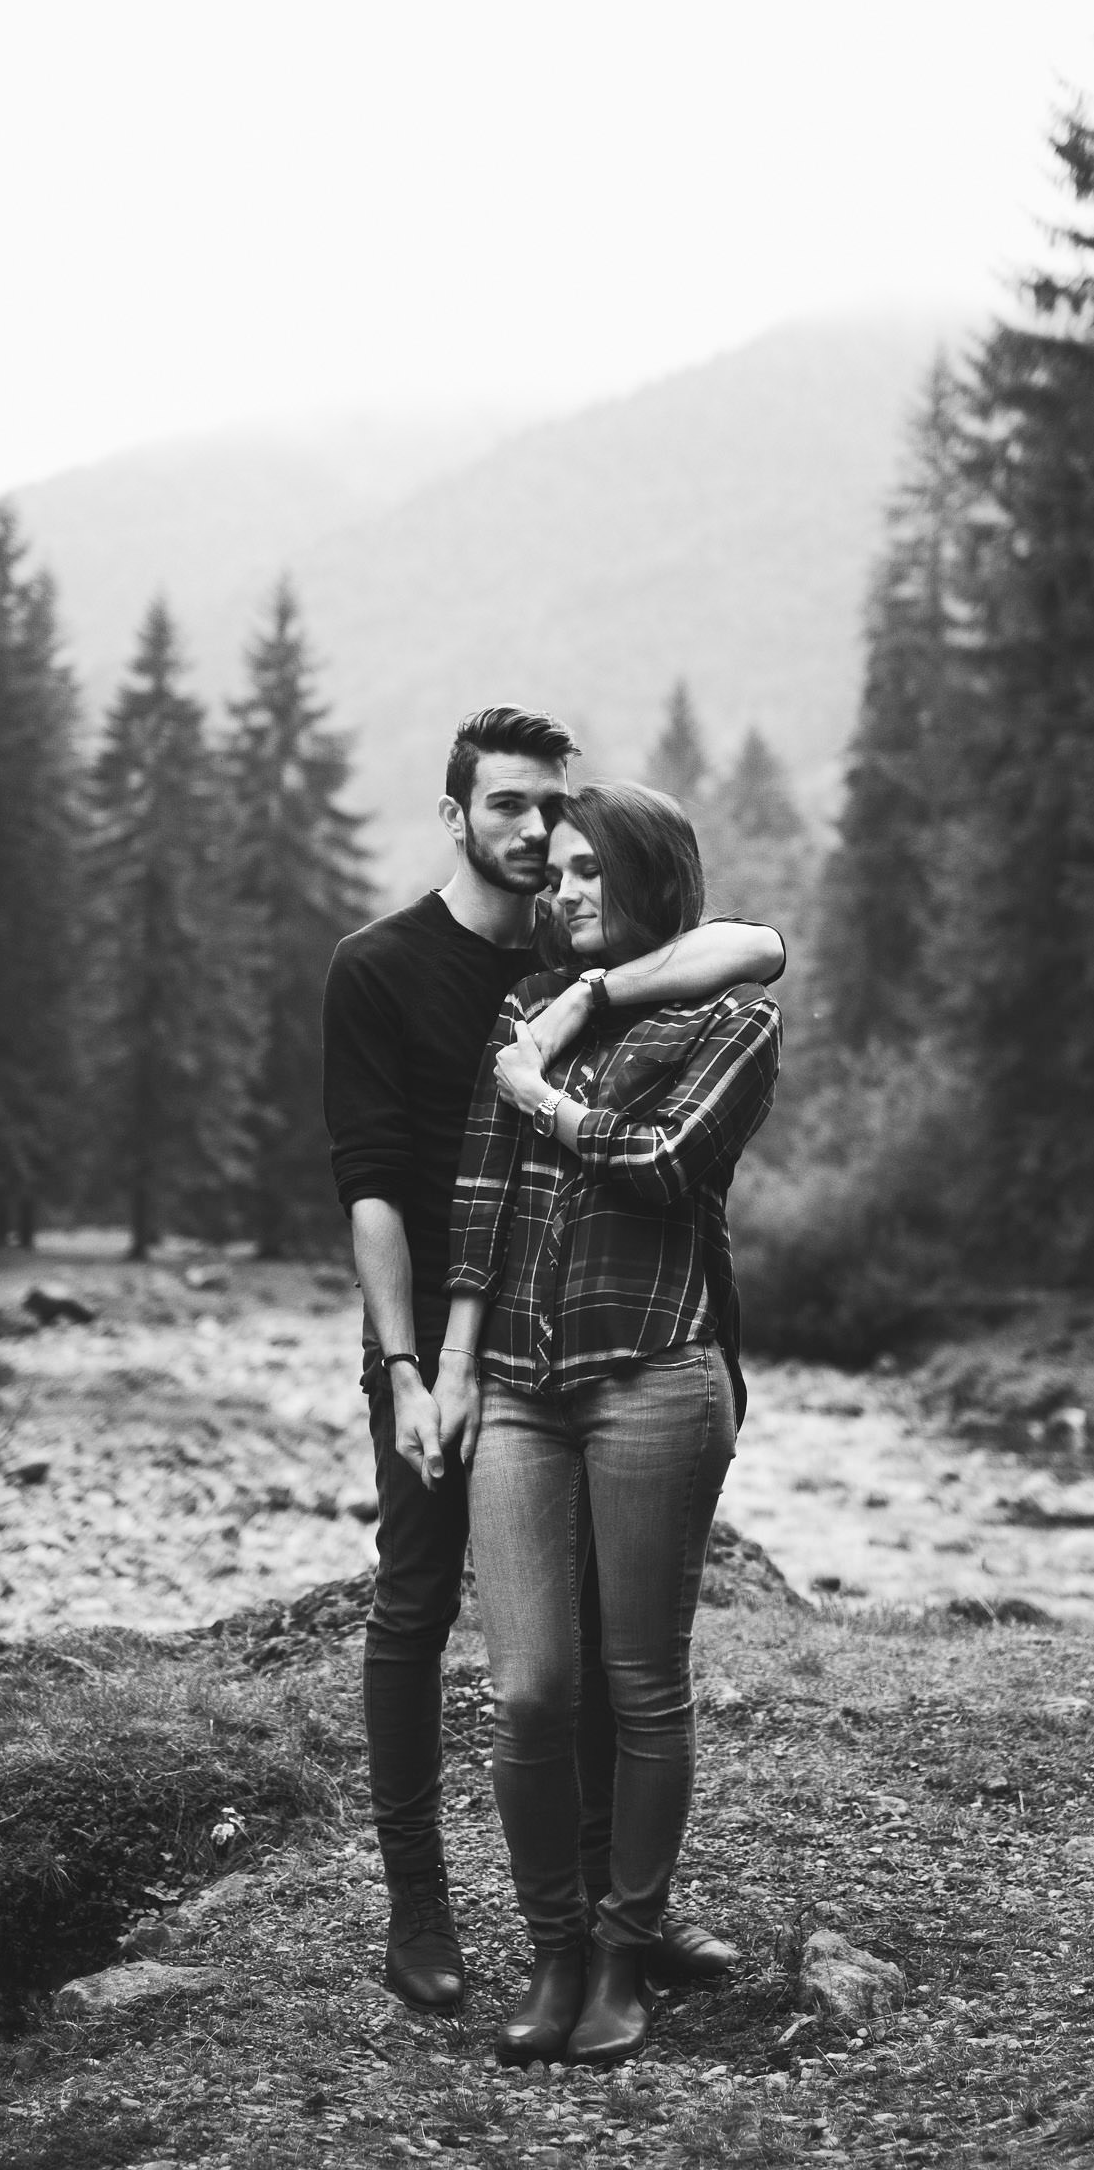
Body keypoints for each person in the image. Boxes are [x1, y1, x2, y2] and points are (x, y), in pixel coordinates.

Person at [321, 707, 784, 2014]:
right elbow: (395, 1192)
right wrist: (419, 1365)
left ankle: (613, 1923)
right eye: (512, 809)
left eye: (556, 816)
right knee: (422, 1606)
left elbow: (761, 947)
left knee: (607, 1650)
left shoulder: (585, 966)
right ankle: (426, 1909)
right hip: (452, 1330)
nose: (537, 837)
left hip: (613, 1337)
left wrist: (586, 999)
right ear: (457, 812)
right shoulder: (389, 967)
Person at [439, 779, 782, 2068]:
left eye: (592, 873)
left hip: (653, 1373)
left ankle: (625, 1960)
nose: (566, 891)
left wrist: (547, 1099)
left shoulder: (732, 1019)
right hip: (522, 1387)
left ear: (650, 880)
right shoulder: (531, 1012)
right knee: (529, 1691)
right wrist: (455, 1366)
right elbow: (475, 1206)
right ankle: (555, 1953)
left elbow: (662, 1161)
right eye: (560, 873)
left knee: (642, 1684)